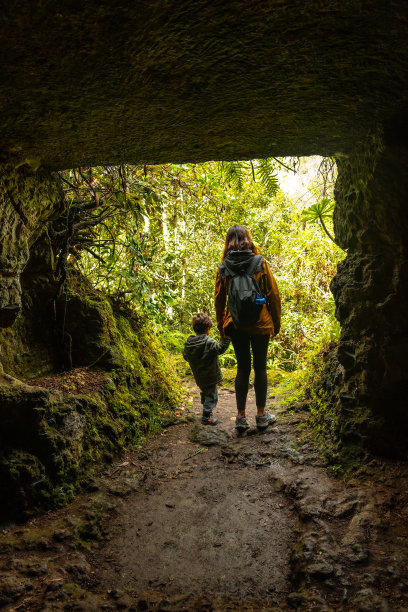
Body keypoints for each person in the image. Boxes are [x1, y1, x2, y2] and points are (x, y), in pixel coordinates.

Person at [214, 225, 281, 433]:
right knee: (260, 367)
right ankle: (261, 416)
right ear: (247, 240)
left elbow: (219, 300)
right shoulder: (260, 263)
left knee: (242, 368)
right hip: (260, 324)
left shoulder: (224, 267)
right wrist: (275, 324)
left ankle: (241, 418)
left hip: (236, 324)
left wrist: (221, 327)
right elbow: (273, 295)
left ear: (229, 243)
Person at [183, 312, 230, 426]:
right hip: (210, 376)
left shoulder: (188, 344)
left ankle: (205, 409)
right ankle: (206, 417)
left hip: (199, 376)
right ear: (208, 328)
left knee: (205, 392)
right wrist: (226, 338)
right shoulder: (208, 341)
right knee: (212, 395)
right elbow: (220, 349)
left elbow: (185, 356)